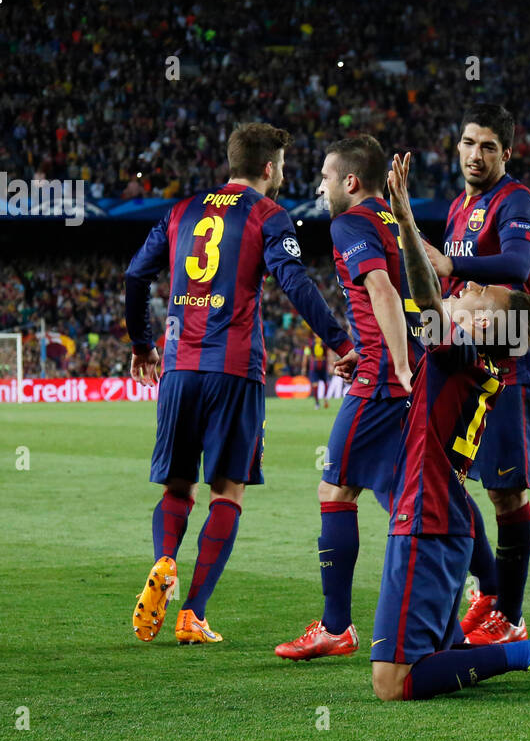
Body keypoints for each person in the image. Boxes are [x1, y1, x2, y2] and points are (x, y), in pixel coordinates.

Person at [369, 150, 530, 701]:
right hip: (442, 518)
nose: (464, 290)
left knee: (392, 683)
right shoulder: (477, 361)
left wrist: (404, 224)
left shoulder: (462, 353)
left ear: (485, 327)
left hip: (426, 519)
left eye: (474, 295)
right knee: (436, 657)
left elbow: (425, 296)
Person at [124, 122, 356, 645]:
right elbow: (293, 282)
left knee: (177, 485)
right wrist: (342, 343)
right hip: (233, 371)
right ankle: (193, 614)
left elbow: (136, 275)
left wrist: (141, 344)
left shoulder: (180, 211)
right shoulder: (270, 215)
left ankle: (165, 558)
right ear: (270, 168)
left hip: (179, 367)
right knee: (227, 490)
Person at [276, 136, 424, 661]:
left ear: (350, 182)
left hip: (385, 379)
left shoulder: (349, 223)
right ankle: (491, 595)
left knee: (335, 489)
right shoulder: (391, 219)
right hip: (390, 366)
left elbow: (382, 290)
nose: (318, 186)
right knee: (412, 497)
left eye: (324, 176)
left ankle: (337, 627)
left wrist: (396, 362)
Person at [421, 104, 530, 646]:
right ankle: (489, 590)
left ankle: (510, 616)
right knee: (451, 480)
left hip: (511, 362)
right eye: (470, 142)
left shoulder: (516, 201)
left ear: (506, 153)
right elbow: (451, 294)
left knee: (507, 494)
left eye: (488, 146)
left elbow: (518, 266)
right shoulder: (458, 206)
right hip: (467, 362)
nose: (476, 154)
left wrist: (453, 264)